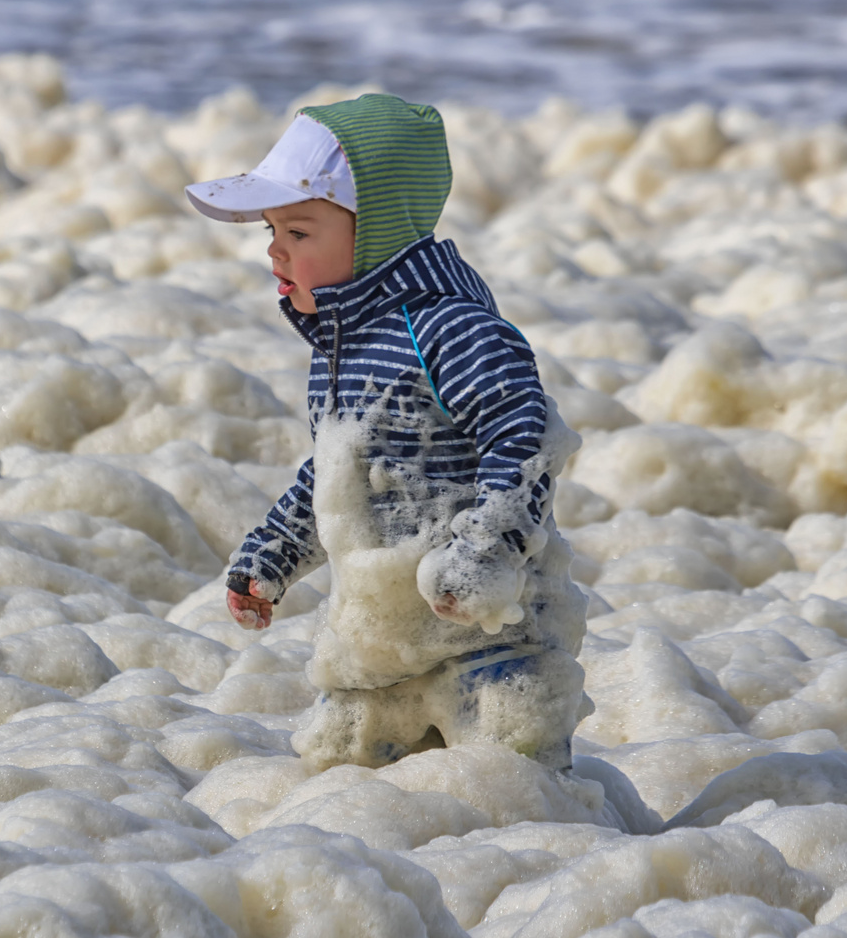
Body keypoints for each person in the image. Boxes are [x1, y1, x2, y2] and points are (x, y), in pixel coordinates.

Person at [185, 94, 593, 773]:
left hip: (489, 637)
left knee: (514, 800)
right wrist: (272, 558)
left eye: (301, 233)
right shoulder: (341, 350)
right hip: (379, 650)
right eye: (271, 234)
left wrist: (485, 553)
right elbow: (336, 478)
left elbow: (523, 439)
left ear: (375, 231)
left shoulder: (450, 329)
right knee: (348, 799)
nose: (276, 253)